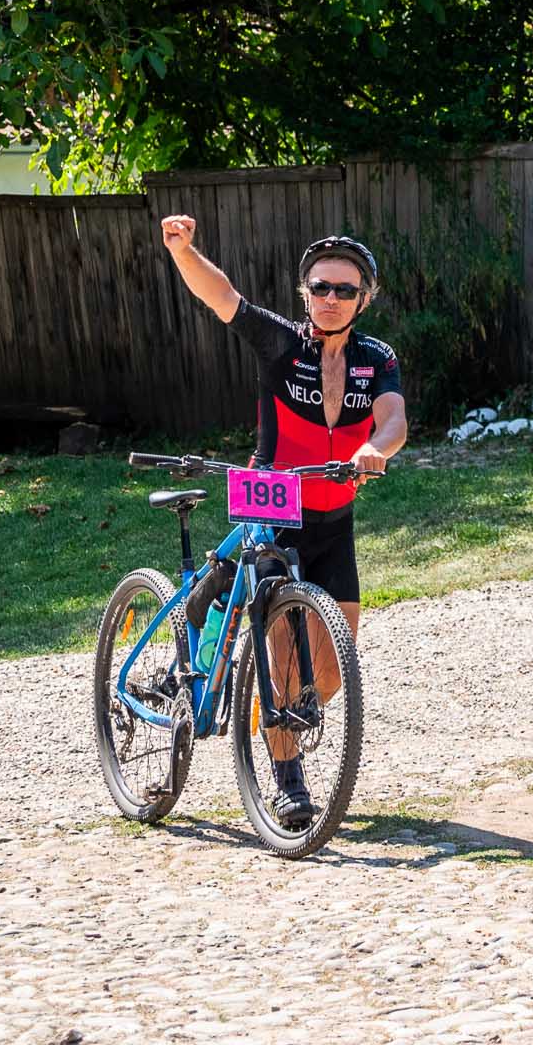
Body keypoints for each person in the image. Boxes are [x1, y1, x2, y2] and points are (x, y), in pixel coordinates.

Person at [157, 217, 408, 828]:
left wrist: (375, 449)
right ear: (305, 292)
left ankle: (227, 626)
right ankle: (287, 780)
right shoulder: (280, 343)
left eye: (344, 290)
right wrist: (184, 251)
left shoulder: (376, 359)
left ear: (364, 299)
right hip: (272, 504)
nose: (330, 298)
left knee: (332, 671)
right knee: (285, 657)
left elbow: (394, 420)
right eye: (320, 287)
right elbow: (222, 296)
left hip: (333, 514)